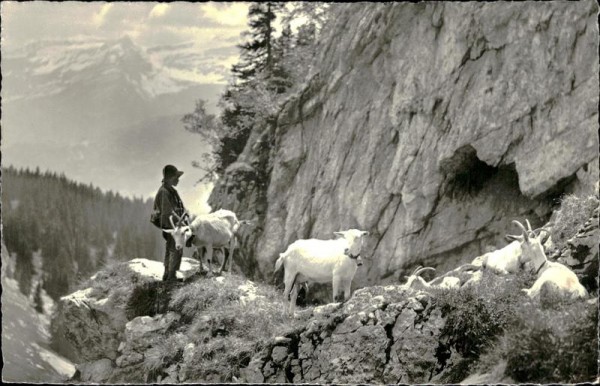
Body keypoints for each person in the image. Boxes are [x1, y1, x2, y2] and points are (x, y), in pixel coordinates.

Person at [153, 164, 190, 282]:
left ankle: (168, 275)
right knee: (175, 249)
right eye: (176, 177)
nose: (178, 180)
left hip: (175, 225)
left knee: (171, 248)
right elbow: (168, 212)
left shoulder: (171, 191)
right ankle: (171, 276)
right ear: (169, 178)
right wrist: (181, 224)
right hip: (172, 226)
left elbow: (179, 208)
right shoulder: (164, 192)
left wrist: (184, 217)